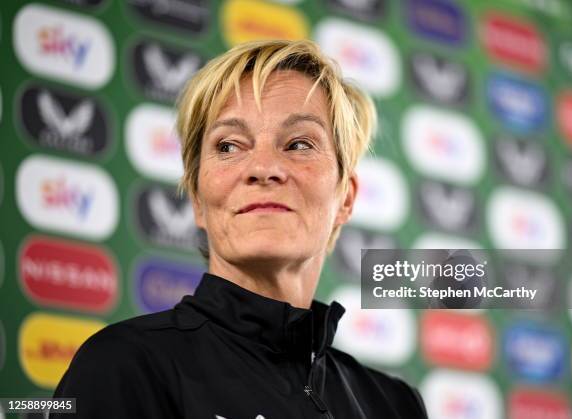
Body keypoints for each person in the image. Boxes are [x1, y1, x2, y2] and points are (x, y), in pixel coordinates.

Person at [51, 39, 428, 418]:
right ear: (197, 198)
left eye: (298, 144)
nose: (262, 168)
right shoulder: (122, 365)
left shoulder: (394, 405)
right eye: (229, 146)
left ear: (345, 197)